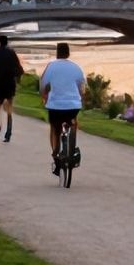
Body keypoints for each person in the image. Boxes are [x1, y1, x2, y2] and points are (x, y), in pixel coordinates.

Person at [39, 42, 86, 173]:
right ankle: (72, 146)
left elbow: (43, 85)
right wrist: (80, 98)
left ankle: (55, 154)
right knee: (73, 122)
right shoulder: (76, 67)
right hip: (73, 106)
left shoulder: (51, 67)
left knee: (55, 128)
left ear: (57, 53)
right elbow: (82, 88)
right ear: (68, 53)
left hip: (55, 105)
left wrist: (44, 96)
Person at [0, 35, 25, 141]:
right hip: (9, 84)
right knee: (9, 109)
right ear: (7, 42)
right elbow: (19, 69)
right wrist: (18, 79)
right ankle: (9, 132)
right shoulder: (11, 53)